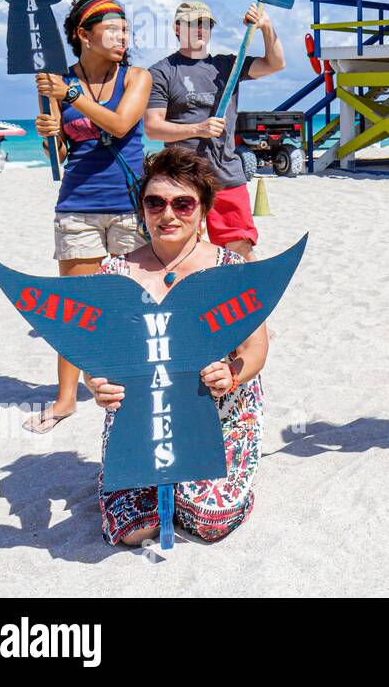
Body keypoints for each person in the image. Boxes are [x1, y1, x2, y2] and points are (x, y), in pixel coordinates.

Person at [83, 148, 268, 545]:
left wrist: (233, 373)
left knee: (209, 521)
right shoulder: (114, 272)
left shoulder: (231, 269)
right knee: (136, 530)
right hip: (142, 419)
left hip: (219, 413)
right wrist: (96, 384)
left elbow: (256, 349)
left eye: (183, 203)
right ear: (143, 209)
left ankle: (230, 486)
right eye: (156, 202)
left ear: (202, 211)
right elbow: (94, 358)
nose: (168, 214)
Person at [30, 0, 150, 434]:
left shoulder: (137, 76)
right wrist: (49, 135)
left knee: (133, 304)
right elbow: (60, 153)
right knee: (75, 308)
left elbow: (120, 124)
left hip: (127, 206)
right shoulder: (57, 83)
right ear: (84, 34)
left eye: (126, 30)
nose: (123, 37)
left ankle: (137, 383)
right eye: (113, 30)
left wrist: (71, 96)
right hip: (78, 203)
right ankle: (65, 399)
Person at [145, 1, 286, 261]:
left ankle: (249, 298)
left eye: (206, 24)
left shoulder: (227, 65)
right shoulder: (162, 72)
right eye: (193, 23)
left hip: (226, 174)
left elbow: (275, 64)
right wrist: (199, 128)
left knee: (239, 249)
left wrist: (266, 27)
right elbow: (153, 128)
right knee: (183, 252)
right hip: (182, 179)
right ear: (177, 28)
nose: (201, 29)